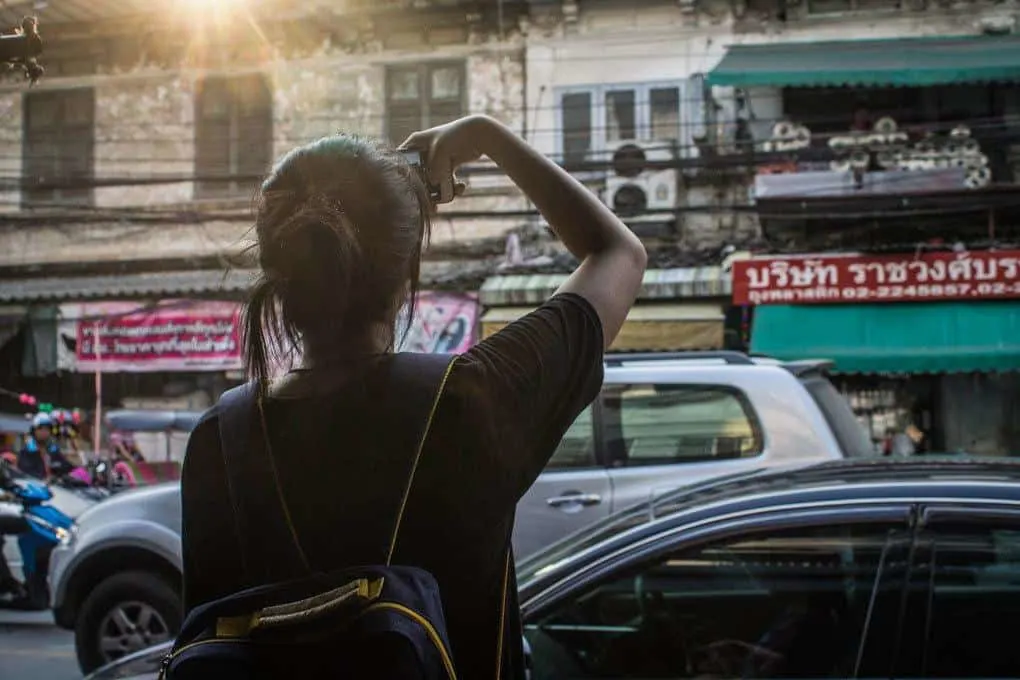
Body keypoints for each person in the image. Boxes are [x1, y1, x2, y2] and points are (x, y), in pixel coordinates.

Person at [181, 114, 647, 679]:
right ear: (405, 278)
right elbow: (618, 253)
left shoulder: (217, 440)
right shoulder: (472, 401)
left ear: (280, 275)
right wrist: (485, 136)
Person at [17, 412, 70, 480]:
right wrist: (46, 478)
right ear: (33, 431)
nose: (44, 431)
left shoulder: (54, 450)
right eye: (40, 428)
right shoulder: (26, 452)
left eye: (47, 429)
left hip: (57, 489)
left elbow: (66, 467)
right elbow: (27, 473)